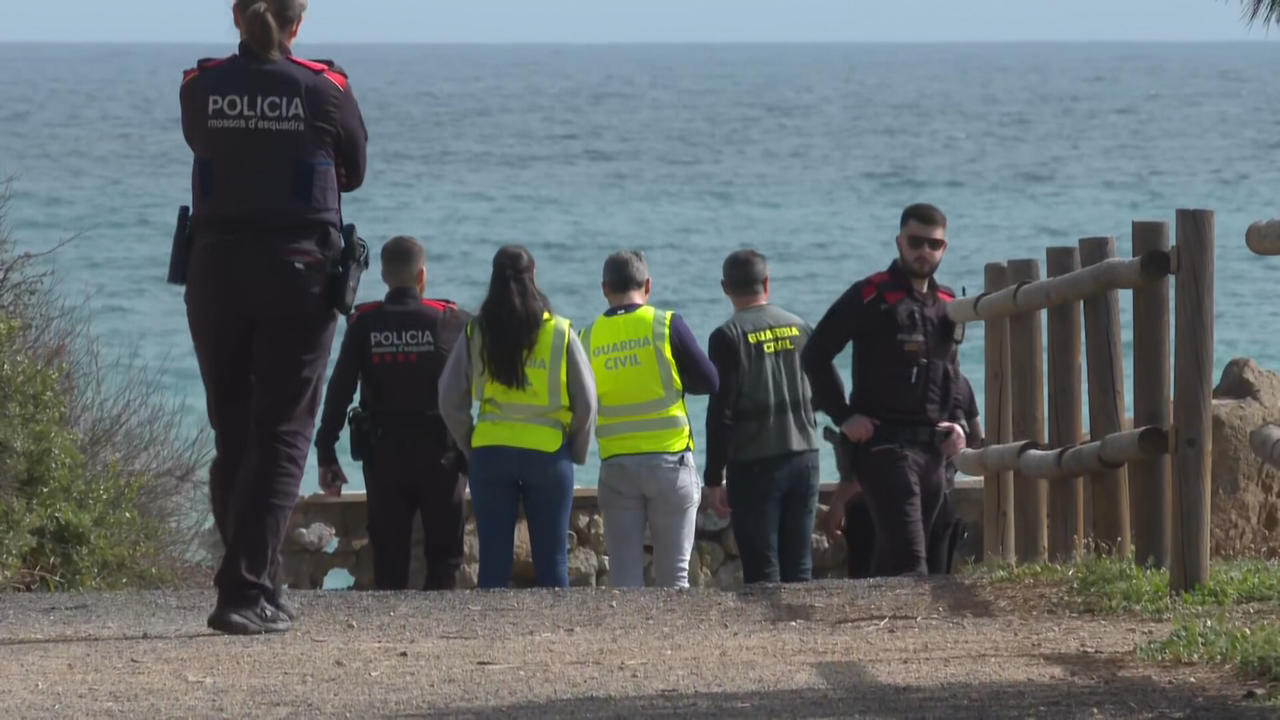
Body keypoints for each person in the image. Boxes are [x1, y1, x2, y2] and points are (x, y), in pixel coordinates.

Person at [178, 0, 367, 634]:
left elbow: (207, 146)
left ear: (236, 17)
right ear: (298, 24)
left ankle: (263, 584)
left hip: (214, 273)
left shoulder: (200, 86)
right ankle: (242, 590)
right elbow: (355, 170)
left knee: (234, 433)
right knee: (283, 434)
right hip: (298, 276)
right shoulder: (325, 88)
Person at [801, 203, 969, 578]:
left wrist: (959, 422)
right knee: (911, 560)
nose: (924, 251)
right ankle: (914, 633)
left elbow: (952, 371)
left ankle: (878, 630)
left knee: (902, 555)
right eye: (915, 241)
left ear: (944, 248)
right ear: (899, 242)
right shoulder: (869, 296)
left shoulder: (947, 305)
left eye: (934, 244)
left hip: (934, 451)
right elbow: (815, 354)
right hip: (884, 448)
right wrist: (843, 416)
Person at [312, 236, 471, 591]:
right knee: (445, 560)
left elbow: (339, 391)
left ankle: (389, 635)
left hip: (384, 455)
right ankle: (439, 635)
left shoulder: (364, 323)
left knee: (389, 560)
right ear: (422, 276)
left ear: (383, 275)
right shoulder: (450, 320)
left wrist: (326, 453)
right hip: (441, 455)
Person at [438, 245, 597, 589]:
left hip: (491, 450)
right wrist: (576, 449)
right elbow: (586, 403)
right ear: (534, 276)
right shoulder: (559, 332)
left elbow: (449, 399)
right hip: (548, 453)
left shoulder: (475, 332)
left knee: (493, 562)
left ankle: (490, 638)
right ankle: (555, 637)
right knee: (553, 560)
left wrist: (471, 444)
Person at [580, 250, 718, 588]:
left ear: (604, 288)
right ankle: (674, 642)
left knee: (625, 580)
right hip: (669, 463)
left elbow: (578, 401)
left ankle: (627, 641)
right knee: (675, 576)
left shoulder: (588, 336)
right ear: (648, 285)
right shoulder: (666, 324)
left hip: (617, 466)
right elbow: (710, 381)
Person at [703, 250, 822, 585]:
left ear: (725, 287)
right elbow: (826, 390)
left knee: (762, 571)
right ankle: (802, 632)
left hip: (756, 466)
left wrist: (714, 477)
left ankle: (770, 637)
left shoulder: (727, 336)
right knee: (800, 568)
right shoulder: (800, 327)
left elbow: (721, 412)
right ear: (767, 283)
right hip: (806, 458)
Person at [837, 369, 983, 578]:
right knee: (934, 582)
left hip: (881, 501)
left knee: (874, 581)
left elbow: (855, 443)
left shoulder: (883, 375)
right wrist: (949, 468)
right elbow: (976, 438)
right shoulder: (958, 381)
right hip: (938, 495)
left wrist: (841, 498)